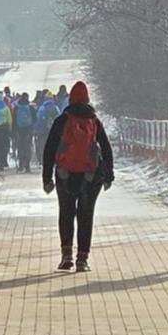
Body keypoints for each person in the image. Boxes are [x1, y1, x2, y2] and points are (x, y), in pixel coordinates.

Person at [43, 81, 114, 272]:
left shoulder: (62, 120)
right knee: (86, 215)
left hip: (65, 174)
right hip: (90, 176)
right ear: (87, 99)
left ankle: (66, 256)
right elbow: (106, 148)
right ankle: (82, 259)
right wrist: (109, 175)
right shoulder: (94, 121)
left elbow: (49, 149)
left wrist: (47, 178)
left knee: (66, 213)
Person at [34, 90, 61, 165]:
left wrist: (36, 130)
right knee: (53, 145)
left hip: (43, 131)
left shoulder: (42, 108)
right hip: (54, 131)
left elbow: (38, 118)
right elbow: (59, 117)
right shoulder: (56, 107)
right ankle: (53, 159)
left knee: (43, 145)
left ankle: (44, 159)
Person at [13, 93, 37, 173]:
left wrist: (13, 132)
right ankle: (27, 166)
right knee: (28, 147)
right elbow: (35, 119)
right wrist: (33, 129)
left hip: (19, 130)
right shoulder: (30, 107)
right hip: (28, 130)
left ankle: (21, 165)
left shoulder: (16, 108)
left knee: (20, 147)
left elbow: (14, 120)